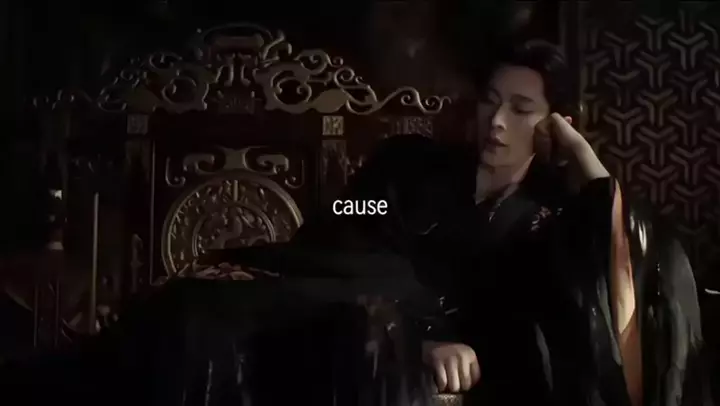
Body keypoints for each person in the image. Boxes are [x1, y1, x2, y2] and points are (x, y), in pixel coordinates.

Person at [417, 41, 712, 406]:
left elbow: (617, 264)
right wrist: (423, 342)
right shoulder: (422, 178)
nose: (497, 121)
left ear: (552, 125)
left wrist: (579, 150)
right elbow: (376, 268)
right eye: (490, 101)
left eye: (521, 109)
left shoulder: (555, 217)